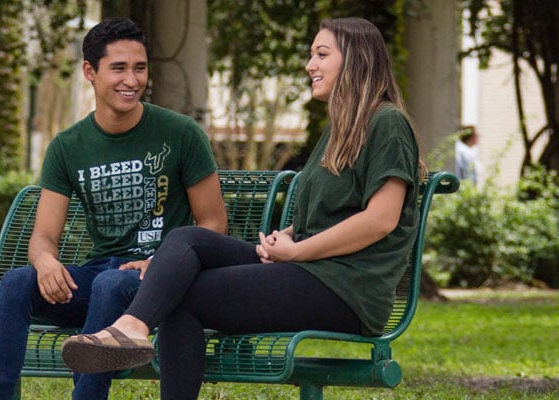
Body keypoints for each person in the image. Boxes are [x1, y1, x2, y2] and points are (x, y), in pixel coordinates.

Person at [60, 17, 427, 400]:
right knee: (188, 238)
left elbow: (380, 220)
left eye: (321, 54)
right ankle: (133, 326)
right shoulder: (340, 130)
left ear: (357, 60)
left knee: (184, 295)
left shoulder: (387, 123)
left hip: (347, 289)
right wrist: (286, 237)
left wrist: (297, 251)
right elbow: (332, 212)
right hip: (311, 270)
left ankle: (131, 328)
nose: (310, 66)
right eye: (311, 56)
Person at [0, 18, 228, 400]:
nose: (132, 79)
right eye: (119, 68)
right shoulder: (68, 146)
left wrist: (165, 262)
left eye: (140, 68)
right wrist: (45, 263)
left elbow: (213, 223)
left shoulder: (180, 133)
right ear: (89, 72)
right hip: (99, 275)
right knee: (15, 284)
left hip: (156, 281)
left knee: (112, 283)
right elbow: (44, 236)